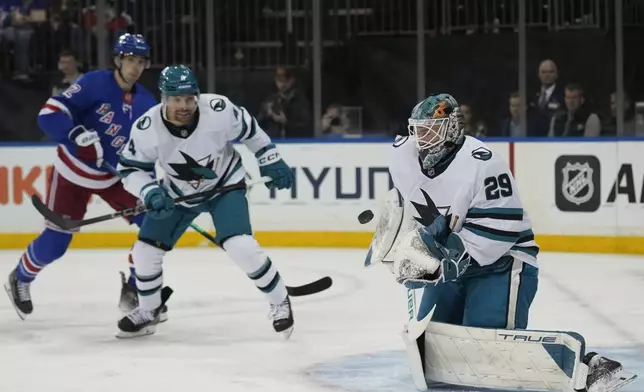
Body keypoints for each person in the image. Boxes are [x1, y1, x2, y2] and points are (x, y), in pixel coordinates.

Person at [365, 93, 634, 391]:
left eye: (431, 129)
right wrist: (400, 245)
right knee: (433, 344)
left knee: (487, 357)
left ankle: (589, 366)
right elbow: (405, 206)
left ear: (452, 128)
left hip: (502, 263)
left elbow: (501, 231)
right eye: (418, 129)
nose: (422, 137)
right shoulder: (403, 155)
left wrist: (443, 263)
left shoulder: (482, 163)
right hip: (449, 260)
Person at [114, 65, 295, 339]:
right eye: (176, 99)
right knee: (144, 252)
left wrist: (270, 158)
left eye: (189, 98)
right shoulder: (147, 127)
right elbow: (129, 170)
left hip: (225, 186)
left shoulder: (218, 109)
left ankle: (279, 302)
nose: (184, 105)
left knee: (240, 245)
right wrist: (150, 191)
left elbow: (252, 132)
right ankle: (149, 310)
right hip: (177, 193)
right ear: (163, 98)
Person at [4, 33, 157, 320]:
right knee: (56, 242)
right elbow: (49, 114)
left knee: (154, 224)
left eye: (140, 61)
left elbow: (145, 153)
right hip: (72, 173)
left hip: (114, 179)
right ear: (117, 60)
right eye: (129, 60)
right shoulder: (94, 82)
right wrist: (74, 133)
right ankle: (21, 277)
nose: (135, 67)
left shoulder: (147, 104)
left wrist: (150, 185)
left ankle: (135, 289)